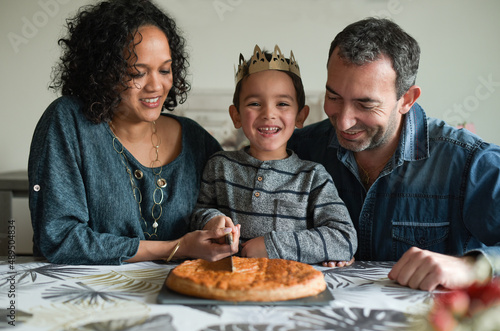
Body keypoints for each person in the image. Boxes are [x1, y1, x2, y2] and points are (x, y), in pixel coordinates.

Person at [288, 17, 500, 290]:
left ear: (407, 99)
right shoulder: (299, 150)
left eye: (365, 104)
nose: (343, 122)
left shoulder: (469, 162)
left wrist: (471, 266)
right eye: (334, 97)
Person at [28, 0, 239, 265]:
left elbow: (218, 208)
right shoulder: (68, 122)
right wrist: (176, 248)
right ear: (102, 73)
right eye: (137, 73)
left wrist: (217, 225)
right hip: (87, 296)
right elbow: (60, 239)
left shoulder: (196, 139)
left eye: (164, 70)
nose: (156, 86)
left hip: (179, 296)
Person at [190, 45, 357, 265]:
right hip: (227, 281)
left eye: (282, 104)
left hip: (289, 285)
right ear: (236, 115)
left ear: (300, 116)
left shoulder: (313, 176)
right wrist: (211, 221)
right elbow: (196, 214)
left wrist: (272, 246)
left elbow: (344, 239)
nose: (269, 114)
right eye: (255, 103)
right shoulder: (219, 166)